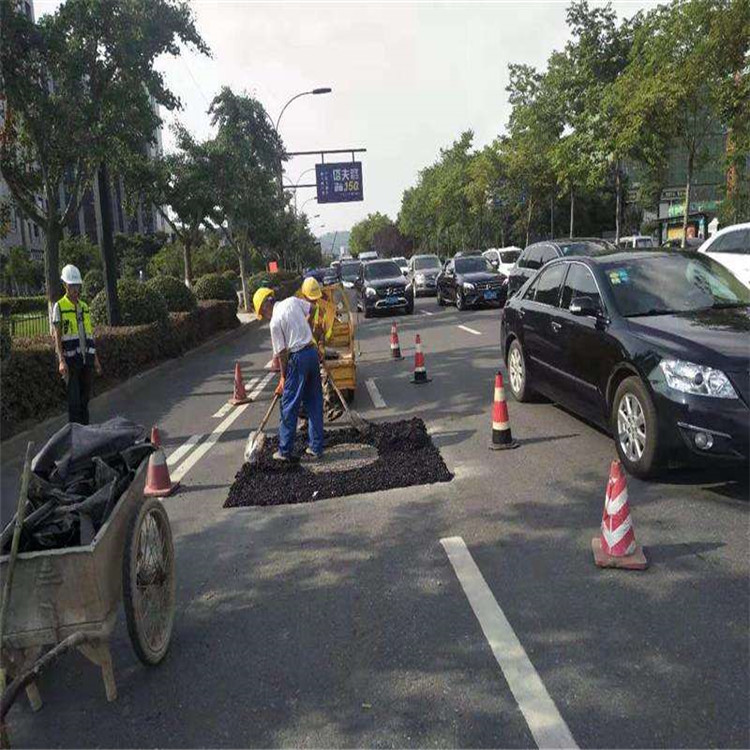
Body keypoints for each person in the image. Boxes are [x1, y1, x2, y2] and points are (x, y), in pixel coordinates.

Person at [253, 286, 324, 461]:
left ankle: (284, 451)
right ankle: (316, 448)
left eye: (263, 313)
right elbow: (314, 308)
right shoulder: (292, 301)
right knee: (314, 402)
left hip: (297, 359)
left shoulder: (275, 322)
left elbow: (282, 353)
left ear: (264, 307)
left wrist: (284, 377)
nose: (265, 317)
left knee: (289, 405)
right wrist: (307, 329)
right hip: (311, 353)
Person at [51, 264, 102, 425]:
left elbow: (89, 336)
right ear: (65, 285)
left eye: (77, 286)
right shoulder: (59, 307)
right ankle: (75, 436)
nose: (75, 289)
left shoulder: (84, 307)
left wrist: (96, 360)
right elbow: (57, 337)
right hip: (70, 362)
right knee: (74, 403)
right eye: (72, 285)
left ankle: (85, 433)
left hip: (86, 360)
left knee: (85, 400)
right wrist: (61, 360)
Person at [299, 277, 344, 423]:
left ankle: (330, 408)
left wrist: (320, 349)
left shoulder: (321, 310)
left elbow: (323, 333)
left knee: (323, 376)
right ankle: (306, 419)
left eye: (315, 299)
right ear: (304, 295)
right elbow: (300, 334)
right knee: (303, 383)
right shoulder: (298, 310)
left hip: (316, 350)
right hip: (301, 352)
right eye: (311, 299)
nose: (313, 302)